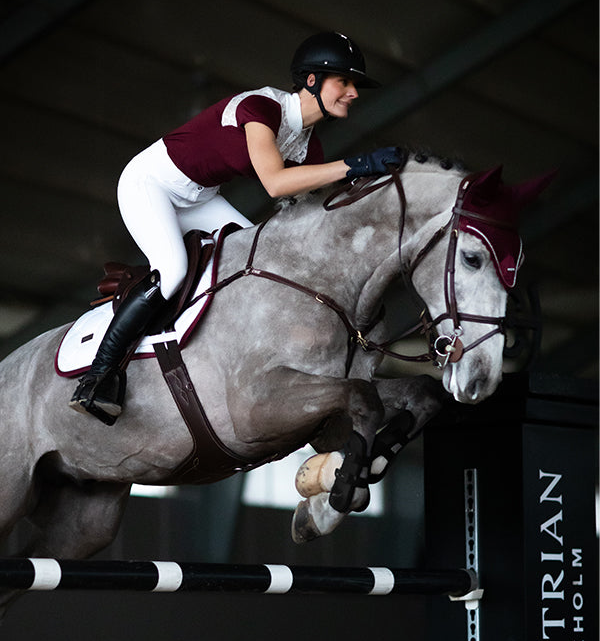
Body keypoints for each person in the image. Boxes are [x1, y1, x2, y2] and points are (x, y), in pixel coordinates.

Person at [69, 31, 404, 424]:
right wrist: (358, 164)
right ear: (311, 80)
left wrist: (376, 182)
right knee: (173, 268)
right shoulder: (261, 107)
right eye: (344, 82)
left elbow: (315, 204)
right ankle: (98, 376)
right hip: (150, 184)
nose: (354, 92)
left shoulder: (307, 145)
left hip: (198, 197)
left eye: (354, 85)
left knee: (261, 258)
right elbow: (276, 183)